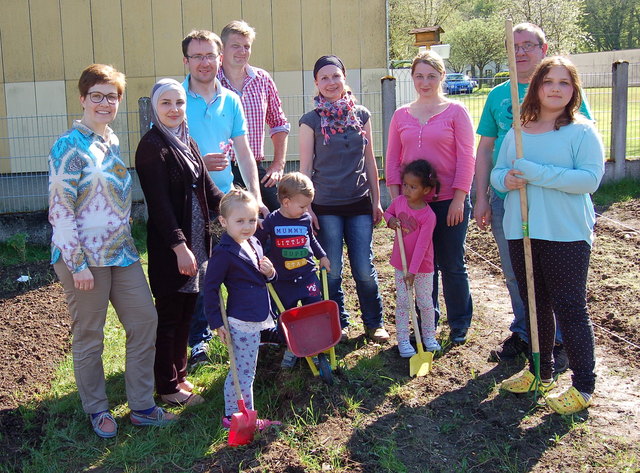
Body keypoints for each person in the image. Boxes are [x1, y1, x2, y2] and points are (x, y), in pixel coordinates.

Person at [48, 64, 175, 438]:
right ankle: (98, 409)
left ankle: (141, 406)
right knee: (90, 334)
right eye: (97, 96)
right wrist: (77, 265)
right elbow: (60, 209)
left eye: (112, 96)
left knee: (143, 321)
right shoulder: (67, 146)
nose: (105, 103)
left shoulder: (112, 142)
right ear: (83, 98)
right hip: (83, 259)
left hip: (121, 253)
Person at [475, 23, 592, 368]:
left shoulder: (563, 92)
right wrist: (482, 195)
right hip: (509, 198)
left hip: (555, 205)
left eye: (528, 45)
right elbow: (486, 149)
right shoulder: (499, 96)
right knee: (517, 272)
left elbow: (581, 155)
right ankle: (526, 331)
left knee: (555, 277)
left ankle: (555, 339)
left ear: (543, 49)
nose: (521, 52)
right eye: (515, 46)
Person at [491, 56, 604, 414]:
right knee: (535, 304)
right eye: (549, 82)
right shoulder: (517, 133)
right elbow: (498, 174)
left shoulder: (582, 131)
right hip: (522, 231)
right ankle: (541, 372)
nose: (556, 89)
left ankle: (583, 386)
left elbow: (588, 180)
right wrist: (506, 180)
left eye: (564, 83)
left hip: (565, 233)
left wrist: (535, 172)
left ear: (574, 91)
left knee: (570, 307)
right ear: (536, 87)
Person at [180, 29, 268, 367]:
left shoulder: (231, 100)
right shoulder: (177, 98)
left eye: (210, 56)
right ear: (186, 60)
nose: (204, 62)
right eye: (197, 56)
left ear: (219, 59)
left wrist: (255, 197)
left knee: (238, 265)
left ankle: (248, 327)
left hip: (223, 201)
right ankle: (198, 342)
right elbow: (168, 152)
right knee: (199, 272)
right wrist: (200, 162)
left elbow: (244, 153)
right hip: (189, 200)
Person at [135, 78, 224, 406]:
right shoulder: (152, 146)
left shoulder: (187, 140)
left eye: (179, 103)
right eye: (166, 104)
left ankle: (180, 377)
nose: (174, 109)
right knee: (170, 316)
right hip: (173, 248)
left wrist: (235, 205)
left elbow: (207, 187)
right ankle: (167, 387)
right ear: (156, 108)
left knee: (187, 311)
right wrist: (179, 247)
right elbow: (158, 204)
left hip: (197, 243)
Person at [385, 50, 475, 345]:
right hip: (412, 204)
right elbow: (393, 159)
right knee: (422, 263)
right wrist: (397, 201)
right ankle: (427, 323)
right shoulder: (401, 114)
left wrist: (460, 198)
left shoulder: (456, 112)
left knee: (450, 262)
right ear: (412, 78)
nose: (425, 82)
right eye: (419, 76)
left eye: (431, 76)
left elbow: (466, 157)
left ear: (441, 77)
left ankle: (459, 321)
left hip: (448, 201)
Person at [299, 55, 389, 343]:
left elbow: (370, 161)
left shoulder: (361, 115)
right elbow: (304, 169)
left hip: (359, 203)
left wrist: (377, 200)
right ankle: (338, 323)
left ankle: (374, 324)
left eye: (335, 76)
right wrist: (307, 208)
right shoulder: (310, 121)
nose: (330, 82)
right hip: (326, 206)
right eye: (324, 78)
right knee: (333, 269)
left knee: (364, 268)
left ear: (344, 78)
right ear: (316, 83)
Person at [203, 190, 281, 429]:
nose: (247, 226)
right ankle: (236, 416)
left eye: (252, 219)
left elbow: (265, 278)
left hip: (258, 314)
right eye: (240, 221)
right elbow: (210, 289)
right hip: (240, 320)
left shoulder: (254, 242)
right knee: (243, 372)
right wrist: (217, 323)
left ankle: (239, 412)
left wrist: (271, 272)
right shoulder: (224, 254)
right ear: (224, 222)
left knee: (247, 368)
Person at [256, 172, 331, 368]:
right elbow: (259, 242)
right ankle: (291, 347)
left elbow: (311, 239)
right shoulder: (273, 220)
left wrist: (322, 256)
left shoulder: (304, 218)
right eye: (303, 205)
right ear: (286, 202)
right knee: (285, 314)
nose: (306, 210)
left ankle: (313, 346)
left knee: (313, 309)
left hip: (307, 276)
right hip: (283, 280)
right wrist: (258, 260)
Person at [218, 20, 290, 211]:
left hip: (253, 168)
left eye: (246, 46)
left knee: (276, 218)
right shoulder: (211, 82)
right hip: (220, 170)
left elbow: (279, 123)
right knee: (225, 226)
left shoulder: (262, 80)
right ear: (222, 49)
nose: (242, 51)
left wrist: (278, 165)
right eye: (235, 46)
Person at [385, 159, 441, 357]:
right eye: (405, 185)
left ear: (426, 190)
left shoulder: (428, 216)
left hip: (422, 268)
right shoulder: (399, 202)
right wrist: (390, 220)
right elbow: (388, 213)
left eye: (413, 187)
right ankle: (402, 340)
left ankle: (428, 336)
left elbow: (422, 246)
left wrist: (413, 271)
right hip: (401, 264)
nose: (407, 190)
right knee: (402, 302)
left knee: (425, 302)